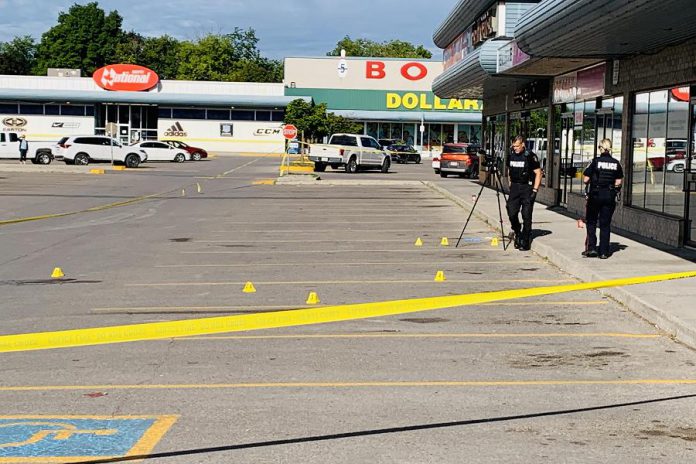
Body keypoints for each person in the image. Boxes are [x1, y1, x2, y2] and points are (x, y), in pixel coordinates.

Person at [582, 138, 624, 259]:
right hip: (609, 196)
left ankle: (592, 248)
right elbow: (618, 181)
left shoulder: (595, 161)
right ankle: (604, 252)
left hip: (595, 195)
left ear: (600, 148)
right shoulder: (616, 163)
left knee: (591, 222)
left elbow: (585, 179)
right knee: (605, 224)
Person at [506, 135, 542, 251]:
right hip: (515, 188)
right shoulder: (511, 155)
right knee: (511, 212)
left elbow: (538, 173)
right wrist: (510, 184)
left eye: (517, 146)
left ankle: (525, 239)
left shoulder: (530, 156)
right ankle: (517, 231)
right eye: (513, 146)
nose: (515, 148)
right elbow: (509, 171)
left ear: (523, 145)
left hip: (527, 187)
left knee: (526, 214)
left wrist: (535, 190)